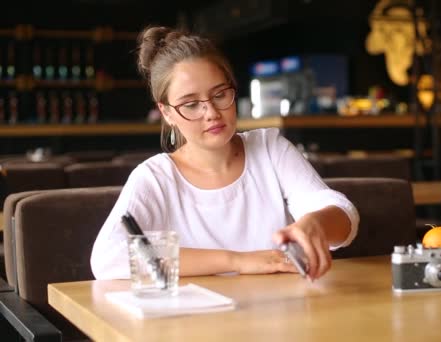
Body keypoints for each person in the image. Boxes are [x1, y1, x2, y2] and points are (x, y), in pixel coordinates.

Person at [90, 26, 359, 281]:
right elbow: (107, 258)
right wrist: (238, 261)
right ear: (167, 112)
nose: (212, 113)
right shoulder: (156, 177)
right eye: (191, 104)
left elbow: (344, 217)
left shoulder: (269, 148)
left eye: (220, 95)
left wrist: (317, 223)